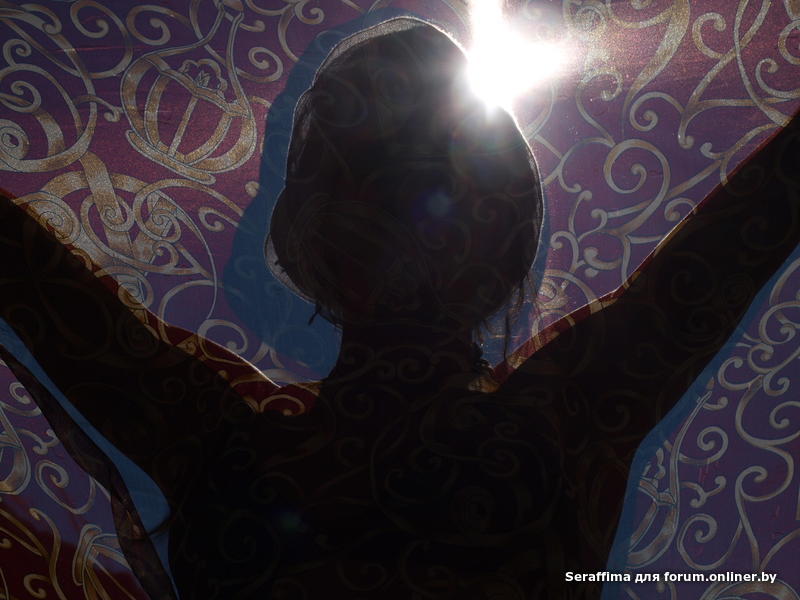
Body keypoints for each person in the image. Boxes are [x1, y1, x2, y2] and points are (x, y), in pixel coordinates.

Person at [0, 15, 798, 600]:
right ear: (505, 241)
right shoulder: (565, 425)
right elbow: (748, 229)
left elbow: (28, 273)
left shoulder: (219, 453)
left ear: (316, 239)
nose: (412, 224)